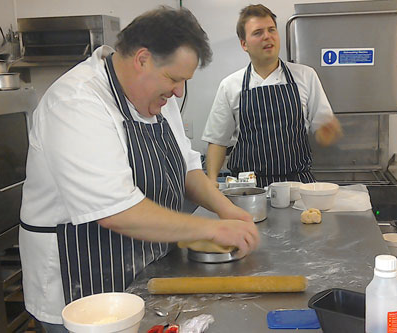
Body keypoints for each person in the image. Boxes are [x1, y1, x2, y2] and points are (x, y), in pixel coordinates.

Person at [18, 7, 259, 331]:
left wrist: (229, 211)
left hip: (145, 267)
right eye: (174, 79)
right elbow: (115, 210)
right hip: (81, 285)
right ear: (142, 59)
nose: (177, 92)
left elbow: (188, 168)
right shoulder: (76, 102)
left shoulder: (159, 97)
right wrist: (211, 230)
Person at [202, 4, 343, 188]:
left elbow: (323, 129)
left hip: (297, 185)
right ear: (244, 44)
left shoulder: (305, 76)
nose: (267, 36)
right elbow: (218, 141)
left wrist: (329, 132)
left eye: (271, 30)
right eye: (258, 32)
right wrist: (212, 180)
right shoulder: (230, 86)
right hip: (249, 189)